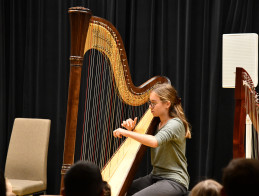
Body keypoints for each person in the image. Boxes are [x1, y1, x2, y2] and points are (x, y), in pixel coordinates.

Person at [113, 83, 191, 196]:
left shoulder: (175, 124)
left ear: (167, 104)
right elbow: (146, 138)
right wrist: (132, 129)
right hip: (155, 176)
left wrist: (127, 133)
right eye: (150, 103)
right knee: (118, 189)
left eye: (154, 103)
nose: (150, 107)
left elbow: (154, 141)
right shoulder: (156, 123)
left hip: (174, 180)